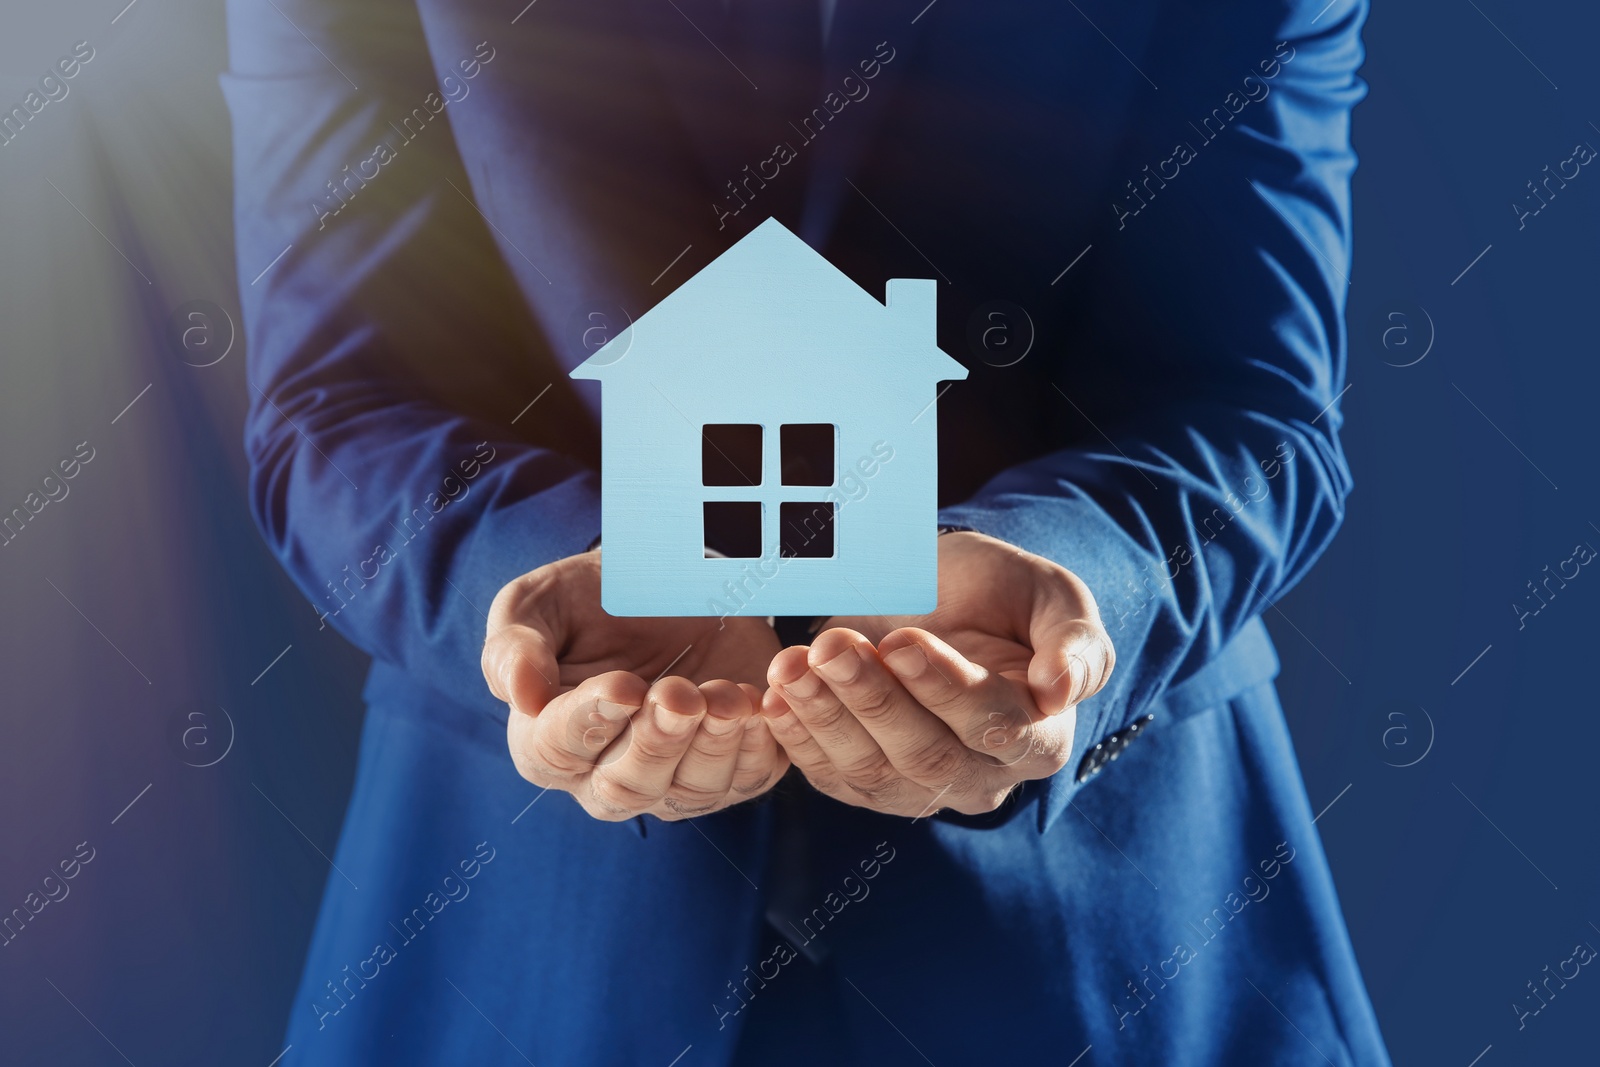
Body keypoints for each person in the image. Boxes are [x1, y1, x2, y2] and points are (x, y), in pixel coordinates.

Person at [225, 0, 1390, 1062]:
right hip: (526, 937)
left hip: (1117, 933)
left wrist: (1079, 581)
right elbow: (333, 404)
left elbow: (1254, 400)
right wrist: (552, 594)